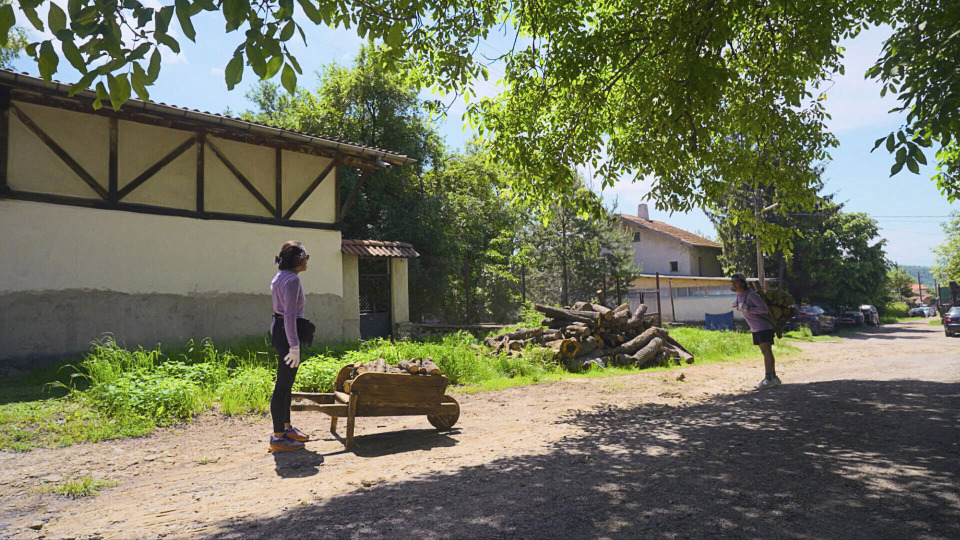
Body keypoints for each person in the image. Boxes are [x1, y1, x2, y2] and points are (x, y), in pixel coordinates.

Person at [268, 241, 312, 452]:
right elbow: (290, 315)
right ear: (298, 259)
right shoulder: (292, 280)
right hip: (287, 334)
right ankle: (278, 437)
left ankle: (286, 428)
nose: (307, 261)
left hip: (279, 331)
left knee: (287, 383)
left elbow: (281, 314)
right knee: (283, 385)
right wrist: (294, 345)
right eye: (306, 257)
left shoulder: (280, 277)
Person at [730, 273, 781, 390]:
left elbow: (763, 309)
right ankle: (773, 377)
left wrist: (748, 308)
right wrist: (738, 307)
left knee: (766, 351)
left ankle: (768, 379)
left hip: (763, 326)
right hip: (755, 328)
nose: (732, 283)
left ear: (742, 283)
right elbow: (744, 308)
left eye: (735, 281)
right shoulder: (739, 296)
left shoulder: (751, 295)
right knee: (766, 352)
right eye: (731, 281)